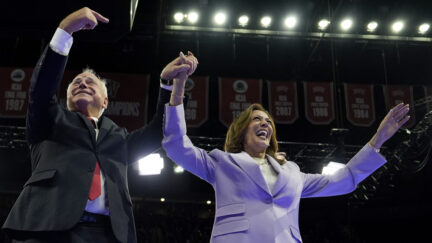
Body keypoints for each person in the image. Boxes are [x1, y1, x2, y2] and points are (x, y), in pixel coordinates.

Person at [2, 7, 198, 243]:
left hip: (109, 234)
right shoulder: (50, 120)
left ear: (106, 101)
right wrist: (65, 30)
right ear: (67, 99)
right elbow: (41, 89)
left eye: (90, 82)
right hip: (47, 228)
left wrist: (169, 85)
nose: (82, 83)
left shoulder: (119, 138)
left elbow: (162, 131)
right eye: (76, 82)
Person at [162, 68, 410, 242]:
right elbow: (176, 146)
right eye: (257, 119)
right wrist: (178, 90)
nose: (265, 124)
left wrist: (378, 139)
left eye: (268, 121)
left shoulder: (292, 172)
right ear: (240, 130)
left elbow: (345, 179)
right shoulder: (221, 163)